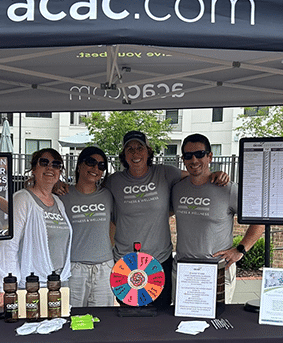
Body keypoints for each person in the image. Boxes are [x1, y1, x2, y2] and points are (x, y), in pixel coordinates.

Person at [103, 131, 228, 310]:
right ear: (124, 154)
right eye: (130, 149)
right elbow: (93, 195)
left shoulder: (165, 173)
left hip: (159, 259)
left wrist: (216, 173)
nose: (135, 153)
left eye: (140, 148)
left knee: (161, 314)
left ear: (148, 151)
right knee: (129, 316)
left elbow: (196, 175)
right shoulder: (114, 181)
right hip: (127, 261)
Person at [172, 134, 263, 304]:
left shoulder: (228, 189)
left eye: (199, 154)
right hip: (184, 270)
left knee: (218, 319)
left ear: (210, 156)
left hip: (218, 269)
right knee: (182, 319)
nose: (194, 160)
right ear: (183, 160)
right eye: (188, 156)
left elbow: (259, 219)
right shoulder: (177, 189)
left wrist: (241, 250)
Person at [0, 149, 72, 305]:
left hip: (58, 284)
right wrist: (7, 286)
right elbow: (7, 244)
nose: (50, 168)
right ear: (34, 169)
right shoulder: (22, 199)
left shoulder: (58, 202)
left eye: (56, 165)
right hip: (31, 287)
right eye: (44, 162)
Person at [60, 146, 116, 307]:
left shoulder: (108, 194)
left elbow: (114, 223)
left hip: (104, 268)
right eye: (91, 162)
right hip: (74, 268)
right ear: (79, 165)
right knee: (73, 316)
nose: (95, 168)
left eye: (101, 166)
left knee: (103, 318)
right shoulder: (63, 195)